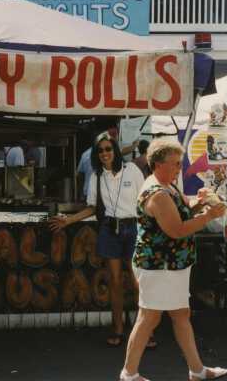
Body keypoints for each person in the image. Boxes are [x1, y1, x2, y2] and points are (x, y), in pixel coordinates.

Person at [119, 138, 227, 381]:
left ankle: (197, 370)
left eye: (180, 163)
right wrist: (209, 214)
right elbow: (177, 229)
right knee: (149, 318)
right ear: (157, 164)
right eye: (175, 164)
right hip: (159, 266)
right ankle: (128, 374)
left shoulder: (166, 184)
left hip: (170, 266)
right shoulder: (157, 193)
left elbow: (182, 207)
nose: (179, 168)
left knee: (179, 315)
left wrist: (198, 201)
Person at [50, 131, 144, 346]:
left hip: (133, 228)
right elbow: (92, 207)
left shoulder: (132, 170)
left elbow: (145, 201)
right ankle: (118, 329)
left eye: (108, 149)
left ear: (116, 150)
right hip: (110, 229)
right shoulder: (96, 176)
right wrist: (69, 220)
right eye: (100, 150)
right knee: (115, 282)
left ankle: (143, 332)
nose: (104, 153)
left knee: (138, 281)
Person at [77, 127, 139, 201]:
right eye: (100, 151)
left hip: (87, 193)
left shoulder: (85, 154)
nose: (104, 153)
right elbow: (122, 151)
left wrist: (80, 193)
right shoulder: (109, 152)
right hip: (98, 194)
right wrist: (135, 144)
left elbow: (79, 174)